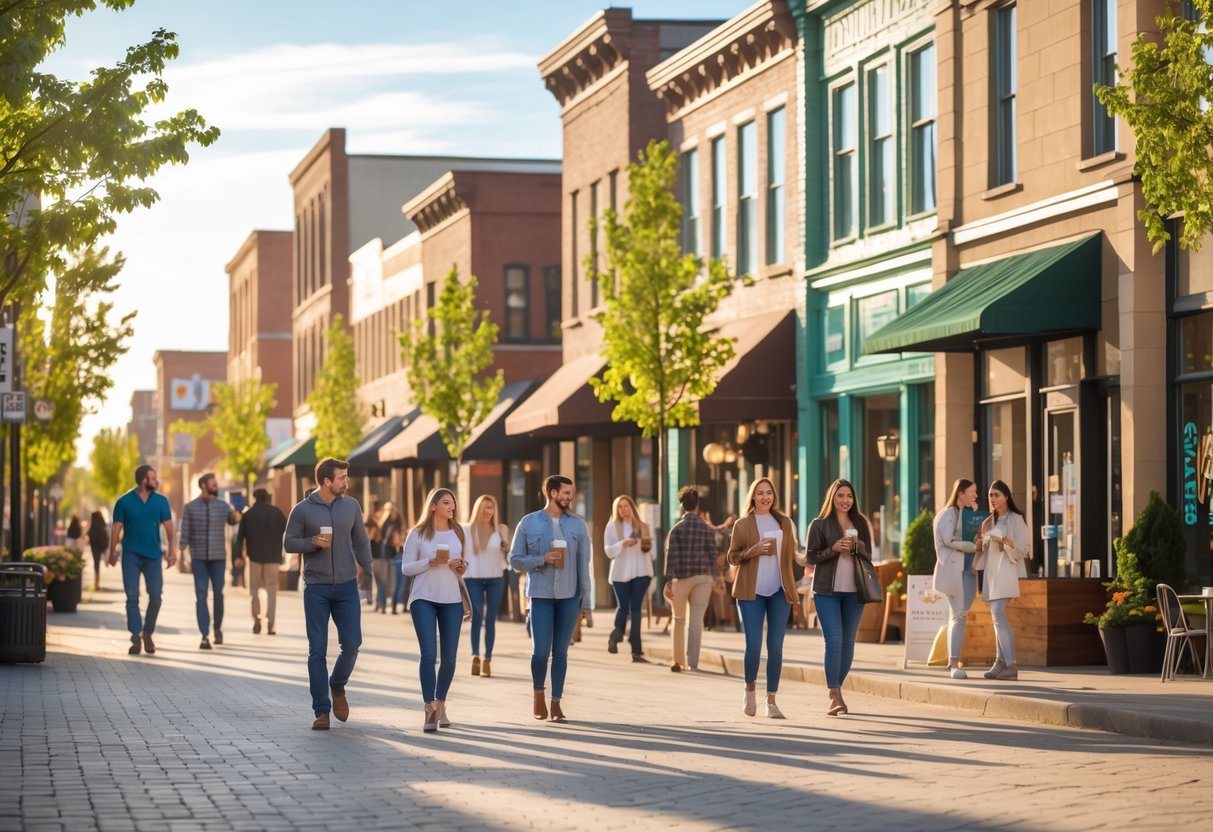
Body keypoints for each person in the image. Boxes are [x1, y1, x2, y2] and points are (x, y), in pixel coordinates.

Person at [284, 458, 373, 731]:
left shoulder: (351, 506)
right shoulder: (302, 510)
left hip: (347, 586)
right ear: (326, 481)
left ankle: (337, 684)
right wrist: (312, 542)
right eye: (342, 477)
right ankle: (321, 711)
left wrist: (369, 573)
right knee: (317, 651)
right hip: (316, 588)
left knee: (353, 643)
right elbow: (288, 543)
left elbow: (361, 540)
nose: (347, 482)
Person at [509, 474, 592, 723]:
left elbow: (583, 566)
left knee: (562, 652)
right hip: (541, 595)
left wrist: (586, 603)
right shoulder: (528, 523)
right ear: (552, 493)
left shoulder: (578, 525)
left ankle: (556, 703)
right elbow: (514, 560)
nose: (569, 496)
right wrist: (540, 560)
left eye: (571, 492)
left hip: (569, 596)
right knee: (540, 652)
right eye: (565, 492)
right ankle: (538, 694)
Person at [726, 477, 799, 719]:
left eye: (769, 492)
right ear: (753, 497)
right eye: (760, 493)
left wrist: (810, 558)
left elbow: (793, 553)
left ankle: (772, 700)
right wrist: (753, 551)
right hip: (750, 592)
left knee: (776, 647)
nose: (765, 497)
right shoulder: (743, 524)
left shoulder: (784, 523)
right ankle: (749, 690)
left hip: (779, 590)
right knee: (754, 645)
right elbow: (732, 557)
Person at [805, 478, 872, 716]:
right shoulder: (819, 524)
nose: (845, 500)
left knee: (848, 643)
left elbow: (869, 556)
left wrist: (858, 547)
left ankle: (837, 687)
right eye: (841, 496)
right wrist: (833, 549)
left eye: (849, 496)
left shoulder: (861, 523)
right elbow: (810, 558)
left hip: (855, 591)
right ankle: (835, 694)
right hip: (826, 591)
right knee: (833, 641)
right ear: (832, 498)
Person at [402, 488, 467, 731]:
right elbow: (406, 569)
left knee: (449, 659)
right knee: (429, 655)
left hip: (452, 599)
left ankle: (441, 704)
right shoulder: (418, 534)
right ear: (433, 506)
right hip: (423, 599)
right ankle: (429, 708)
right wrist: (430, 562)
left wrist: (460, 565)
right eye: (446, 502)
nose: (452, 507)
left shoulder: (458, 532)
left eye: (453, 503)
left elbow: (463, 567)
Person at [107, 465, 176, 656]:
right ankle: (135, 636)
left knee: (155, 596)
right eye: (153, 478)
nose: (156, 481)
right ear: (144, 480)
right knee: (132, 597)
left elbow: (169, 529)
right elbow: (116, 530)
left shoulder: (161, 501)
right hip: (131, 555)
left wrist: (172, 552)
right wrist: (112, 553)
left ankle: (147, 632)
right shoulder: (124, 502)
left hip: (154, 555)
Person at [974, 479, 1030, 681]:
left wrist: (1007, 543)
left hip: (1006, 571)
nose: (993, 499)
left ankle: (1010, 664)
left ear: (1006, 496)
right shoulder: (988, 521)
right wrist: (980, 542)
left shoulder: (1016, 519)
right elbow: (980, 550)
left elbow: (1024, 549)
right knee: (995, 617)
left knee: (998, 614)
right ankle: (1000, 662)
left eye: (997, 495)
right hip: (991, 573)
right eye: (990, 495)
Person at [178, 472, 240, 650]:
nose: (216, 486)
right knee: (201, 594)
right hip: (198, 558)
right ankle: (204, 635)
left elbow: (233, 521)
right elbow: (185, 533)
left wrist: (235, 509)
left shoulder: (222, 506)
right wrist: (182, 557)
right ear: (204, 485)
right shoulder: (190, 507)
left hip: (218, 557)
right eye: (213, 484)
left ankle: (217, 629)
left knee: (218, 593)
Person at [665, 486, 718, 672]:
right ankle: (693, 663)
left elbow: (671, 558)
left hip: (681, 578)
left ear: (682, 505)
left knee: (678, 619)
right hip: (703, 579)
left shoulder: (676, 530)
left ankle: (678, 661)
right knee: (696, 621)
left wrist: (668, 581)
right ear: (697, 506)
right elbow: (712, 556)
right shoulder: (706, 529)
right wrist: (716, 579)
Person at [933, 478, 980, 679]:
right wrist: (970, 546)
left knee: (962, 615)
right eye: (972, 492)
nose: (975, 495)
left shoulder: (964, 513)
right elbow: (948, 540)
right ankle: (953, 662)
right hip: (954, 571)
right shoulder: (947, 515)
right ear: (961, 493)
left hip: (968, 570)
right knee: (957, 615)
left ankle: (954, 660)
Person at [462, 494, 509, 678]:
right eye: (485, 507)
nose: (489, 511)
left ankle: (487, 659)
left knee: (490, 619)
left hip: (496, 578)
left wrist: (506, 546)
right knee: (477, 615)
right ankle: (475, 656)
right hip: (472, 578)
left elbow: (508, 554)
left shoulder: (500, 530)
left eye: (492, 507)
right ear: (478, 509)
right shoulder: (466, 530)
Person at [603, 494, 654, 664]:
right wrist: (623, 544)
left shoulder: (644, 526)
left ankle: (637, 651)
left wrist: (644, 545)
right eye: (620, 506)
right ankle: (616, 635)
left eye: (626, 506)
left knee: (637, 610)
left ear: (632, 507)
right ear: (616, 509)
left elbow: (652, 552)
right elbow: (609, 551)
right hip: (620, 573)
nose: (624, 509)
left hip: (641, 572)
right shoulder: (611, 527)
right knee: (623, 607)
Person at [234, 488, 287, 635]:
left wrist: (238, 555)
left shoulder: (248, 514)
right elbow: (287, 530)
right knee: (271, 590)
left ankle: (256, 619)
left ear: (255, 498)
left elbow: (240, 537)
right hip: (273, 557)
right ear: (267, 497)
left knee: (254, 590)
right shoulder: (277, 513)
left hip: (255, 557)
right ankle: (271, 623)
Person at [380, 504, 407, 614]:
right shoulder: (390, 527)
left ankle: (397, 606)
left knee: (399, 584)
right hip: (395, 558)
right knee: (395, 584)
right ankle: (393, 607)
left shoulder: (397, 527)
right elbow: (395, 541)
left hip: (398, 557)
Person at [363, 502, 381, 606]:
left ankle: (370, 597)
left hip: (370, 552)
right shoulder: (373, 523)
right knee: (369, 576)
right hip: (370, 552)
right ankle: (370, 597)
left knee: (368, 576)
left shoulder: (368, 523)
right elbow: (374, 538)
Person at [86, 510, 109, 591]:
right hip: (100, 547)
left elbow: (88, 534)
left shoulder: (93, 525)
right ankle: (97, 581)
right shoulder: (102, 524)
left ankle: (96, 581)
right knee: (97, 563)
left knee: (96, 563)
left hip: (94, 547)